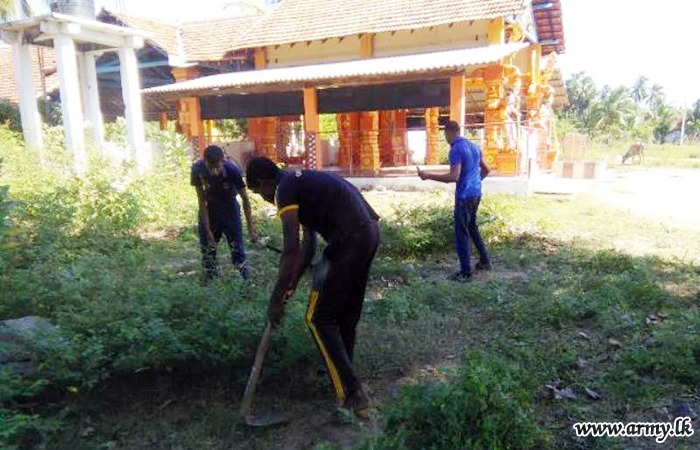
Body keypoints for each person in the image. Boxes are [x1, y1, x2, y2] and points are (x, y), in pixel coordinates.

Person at [245, 157, 380, 416]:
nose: (262, 198)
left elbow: (290, 250)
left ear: (262, 182)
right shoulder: (300, 183)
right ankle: (344, 371)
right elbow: (308, 246)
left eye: (258, 191)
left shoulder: (284, 190)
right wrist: (291, 284)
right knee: (345, 317)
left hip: (350, 240)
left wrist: (275, 300)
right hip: (368, 234)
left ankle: (353, 394)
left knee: (318, 319)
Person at [417, 121, 491, 281]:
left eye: (445, 135)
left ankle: (465, 272)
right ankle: (485, 261)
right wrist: (475, 182)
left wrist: (428, 175)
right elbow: (487, 169)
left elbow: (453, 177)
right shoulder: (474, 147)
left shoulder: (456, 149)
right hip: (476, 193)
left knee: (461, 232)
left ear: (449, 133)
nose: (446, 139)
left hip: (464, 196)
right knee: (472, 227)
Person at [191, 145, 257, 283]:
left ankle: (245, 284)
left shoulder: (232, 169)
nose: (215, 171)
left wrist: (251, 230)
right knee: (208, 252)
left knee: (237, 250)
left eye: (217, 166)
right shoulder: (197, 169)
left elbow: (245, 199)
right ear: (205, 162)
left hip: (230, 209)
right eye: (211, 167)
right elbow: (201, 202)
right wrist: (208, 230)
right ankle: (210, 283)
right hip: (210, 210)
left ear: (223, 161)